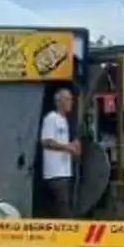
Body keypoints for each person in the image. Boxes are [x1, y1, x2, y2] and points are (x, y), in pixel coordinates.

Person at [40, 88, 82, 218]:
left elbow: (72, 147)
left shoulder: (65, 121)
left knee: (64, 204)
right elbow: (46, 142)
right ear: (58, 102)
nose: (71, 102)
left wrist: (75, 147)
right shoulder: (51, 118)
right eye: (67, 99)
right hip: (55, 172)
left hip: (65, 171)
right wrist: (66, 147)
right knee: (63, 206)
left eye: (71, 99)